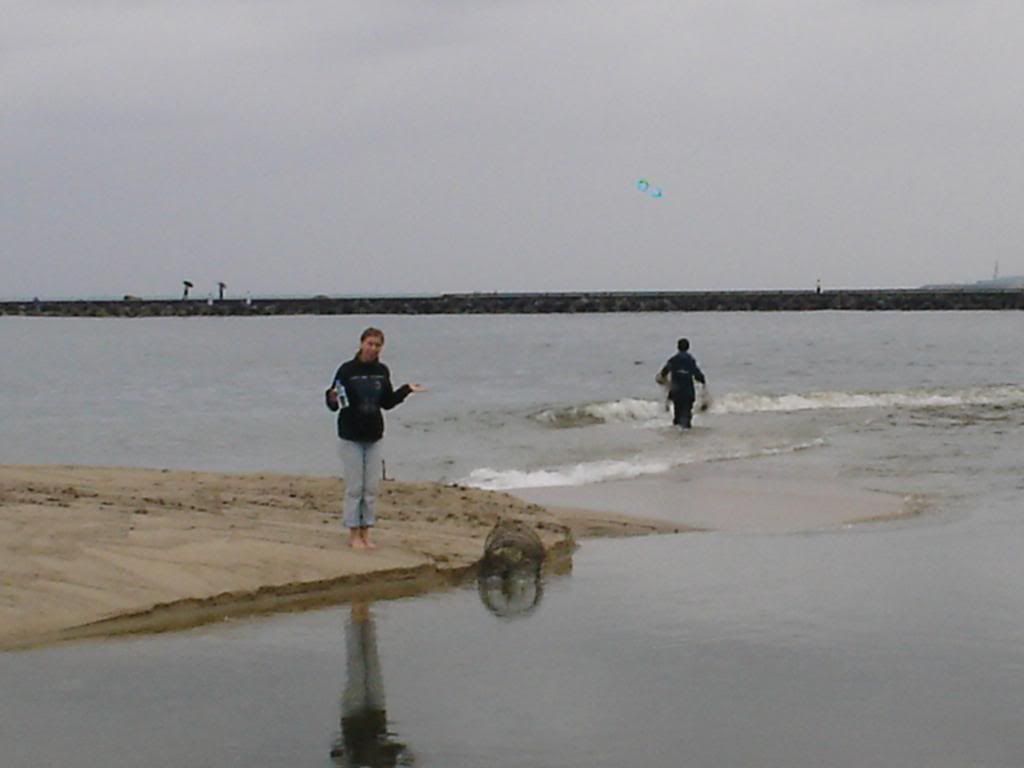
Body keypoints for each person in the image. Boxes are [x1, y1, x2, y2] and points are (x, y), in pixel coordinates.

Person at [326, 327, 424, 549]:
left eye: (377, 345)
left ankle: (366, 532)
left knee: (370, 488)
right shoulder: (347, 370)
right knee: (355, 488)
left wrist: (406, 390)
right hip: (351, 435)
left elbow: (387, 402)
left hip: (374, 434)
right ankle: (353, 534)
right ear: (362, 343)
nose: (373, 348)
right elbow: (335, 402)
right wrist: (331, 398)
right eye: (369, 343)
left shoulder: (381, 371)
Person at [656, 337, 707, 429]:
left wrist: (663, 382)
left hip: (676, 392)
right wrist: (703, 382)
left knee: (677, 414)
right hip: (688, 392)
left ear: (678, 347)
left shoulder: (673, 360)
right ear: (688, 347)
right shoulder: (690, 360)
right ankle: (686, 434)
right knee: (687, 414)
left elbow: (663, 373)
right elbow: (698, 375)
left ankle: (678, 435)